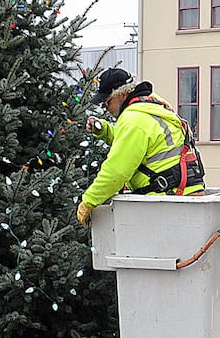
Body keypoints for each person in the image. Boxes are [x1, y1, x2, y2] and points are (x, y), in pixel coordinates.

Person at [76, 67, 205, 226]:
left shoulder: (133, 120)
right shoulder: (153, 104)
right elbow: (137, 143)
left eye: (106, 102)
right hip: (186, 192)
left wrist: (88, 201)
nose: (105, 108)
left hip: (169, 200)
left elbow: (116, 172)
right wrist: (104, 131)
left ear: (122, 94)